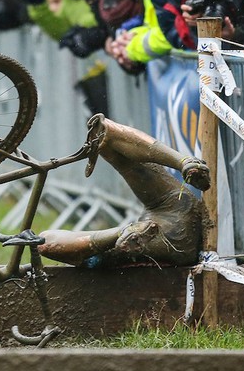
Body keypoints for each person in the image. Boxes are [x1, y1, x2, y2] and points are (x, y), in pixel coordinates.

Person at [38, 114, 210, 268]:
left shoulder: (91, 254)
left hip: (169, 215)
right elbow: (46, 243)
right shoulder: (94, 255)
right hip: (169, 237)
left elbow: (46, 242)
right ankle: (185, 162)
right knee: (46, 243)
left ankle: (186, 162)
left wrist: (183, 163)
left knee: (105, 134)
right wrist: (124, 232)